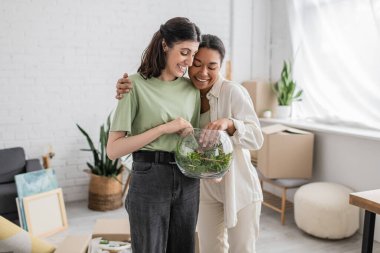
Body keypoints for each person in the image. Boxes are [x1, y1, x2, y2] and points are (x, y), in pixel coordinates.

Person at [116, 34, 264, 253]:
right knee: (209, 248)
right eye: (197, 64)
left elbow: (256, 137)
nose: (203, 73)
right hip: (205, 188)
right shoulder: (187, 91)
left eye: (212, 66)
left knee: (242, 249)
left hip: (239, 187)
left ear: (221, 66)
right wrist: (125, 87)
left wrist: (230, 123)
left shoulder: (232, 91)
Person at [107, 17, 201, 253]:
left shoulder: (192, 89)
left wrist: (191, 136)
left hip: (188, 180)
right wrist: (163, 128)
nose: (189, 62)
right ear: (165, 45)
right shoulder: (133, 85)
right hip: (149, 178)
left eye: (193, 55)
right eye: (184, 52)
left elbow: (196, 144)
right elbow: (113, 150)